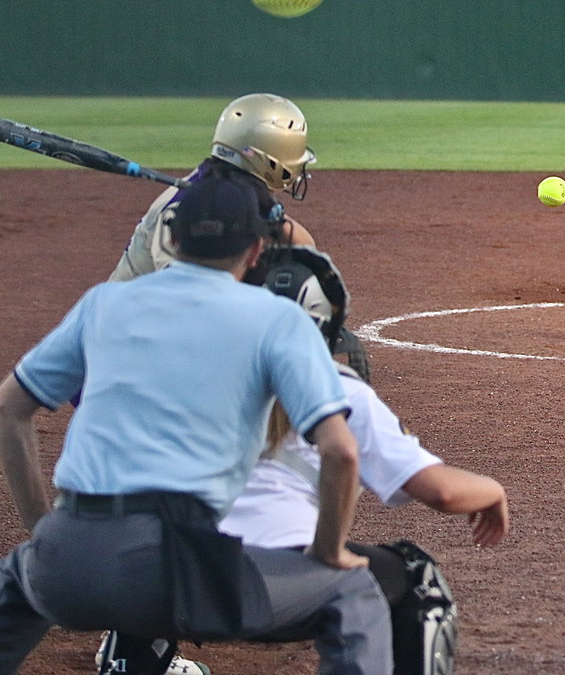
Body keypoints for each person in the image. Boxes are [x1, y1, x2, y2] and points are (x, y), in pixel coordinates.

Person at [0, 173, 392, 674]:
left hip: (63, 560)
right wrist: (328, 551)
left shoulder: (103, 303)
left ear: (170, 238)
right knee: (355, 592)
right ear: (256, 251)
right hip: (174, 568)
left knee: (16, 582)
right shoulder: (276, 319)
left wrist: (42, 528)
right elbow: (341, 453)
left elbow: (10, 408)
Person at [99, 248, 512, 675]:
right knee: (415, 576)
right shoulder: (338, 388)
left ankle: (128, 661)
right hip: (273, 591)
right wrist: (493, 490)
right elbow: (441, 492)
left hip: (162, 584)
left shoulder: (180, 370)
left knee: (153, 540)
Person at [110, 92, 317, 283]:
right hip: (133, 318)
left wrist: (276, 218)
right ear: (272, 162)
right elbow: (184, 295)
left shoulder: (235, 193)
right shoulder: (184, 210)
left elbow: (307, 252)